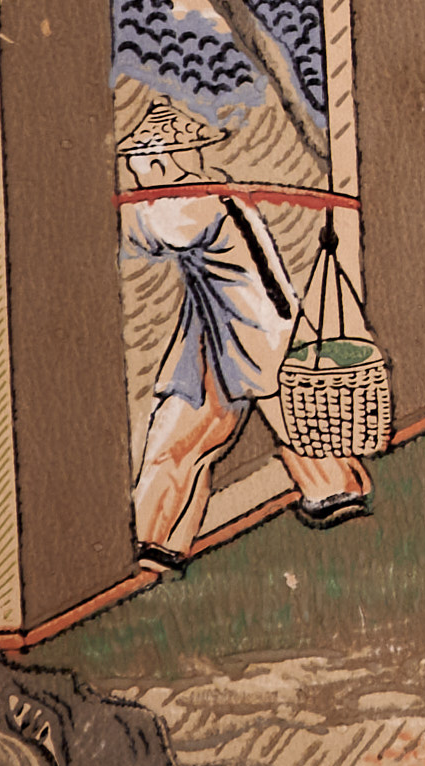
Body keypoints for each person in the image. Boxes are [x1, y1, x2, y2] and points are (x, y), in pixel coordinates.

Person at [117, 97, 371, 571]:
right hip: (218, 335)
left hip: (255, 331)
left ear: (163, 161)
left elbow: (141, 234)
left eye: (140, 163)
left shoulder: (194, 204)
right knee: (182, 434)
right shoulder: (208, 194)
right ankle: (156, 539)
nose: (134, 173)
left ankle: (338, 493)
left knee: (296, 427)